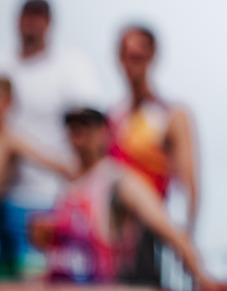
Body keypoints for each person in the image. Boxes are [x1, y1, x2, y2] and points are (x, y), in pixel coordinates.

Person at [29, 107, 216, 289]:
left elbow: (168, 229)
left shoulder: (119, 181)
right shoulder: (68, 184)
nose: (78, 137)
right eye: (73, 130)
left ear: (103, 133)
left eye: (84, 129)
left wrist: (201, 276)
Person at [0, 0, 106, 280]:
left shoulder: (70, 66)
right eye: (26, 15)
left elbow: (93, 121)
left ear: (49, 23)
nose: (31, 23)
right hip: (5, 197)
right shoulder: (5, 64)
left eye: (38, 16)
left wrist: (81, 178)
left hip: (49, 198)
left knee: (41, 279)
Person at [107, 24, 200, 285]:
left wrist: (186, 237)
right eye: (126, 54)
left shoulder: (170, 115)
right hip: (110, 233)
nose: (131, 63)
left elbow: (190, 183)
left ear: (152, 57)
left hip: (149, 232)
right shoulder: (114, 117)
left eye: (138, 55)